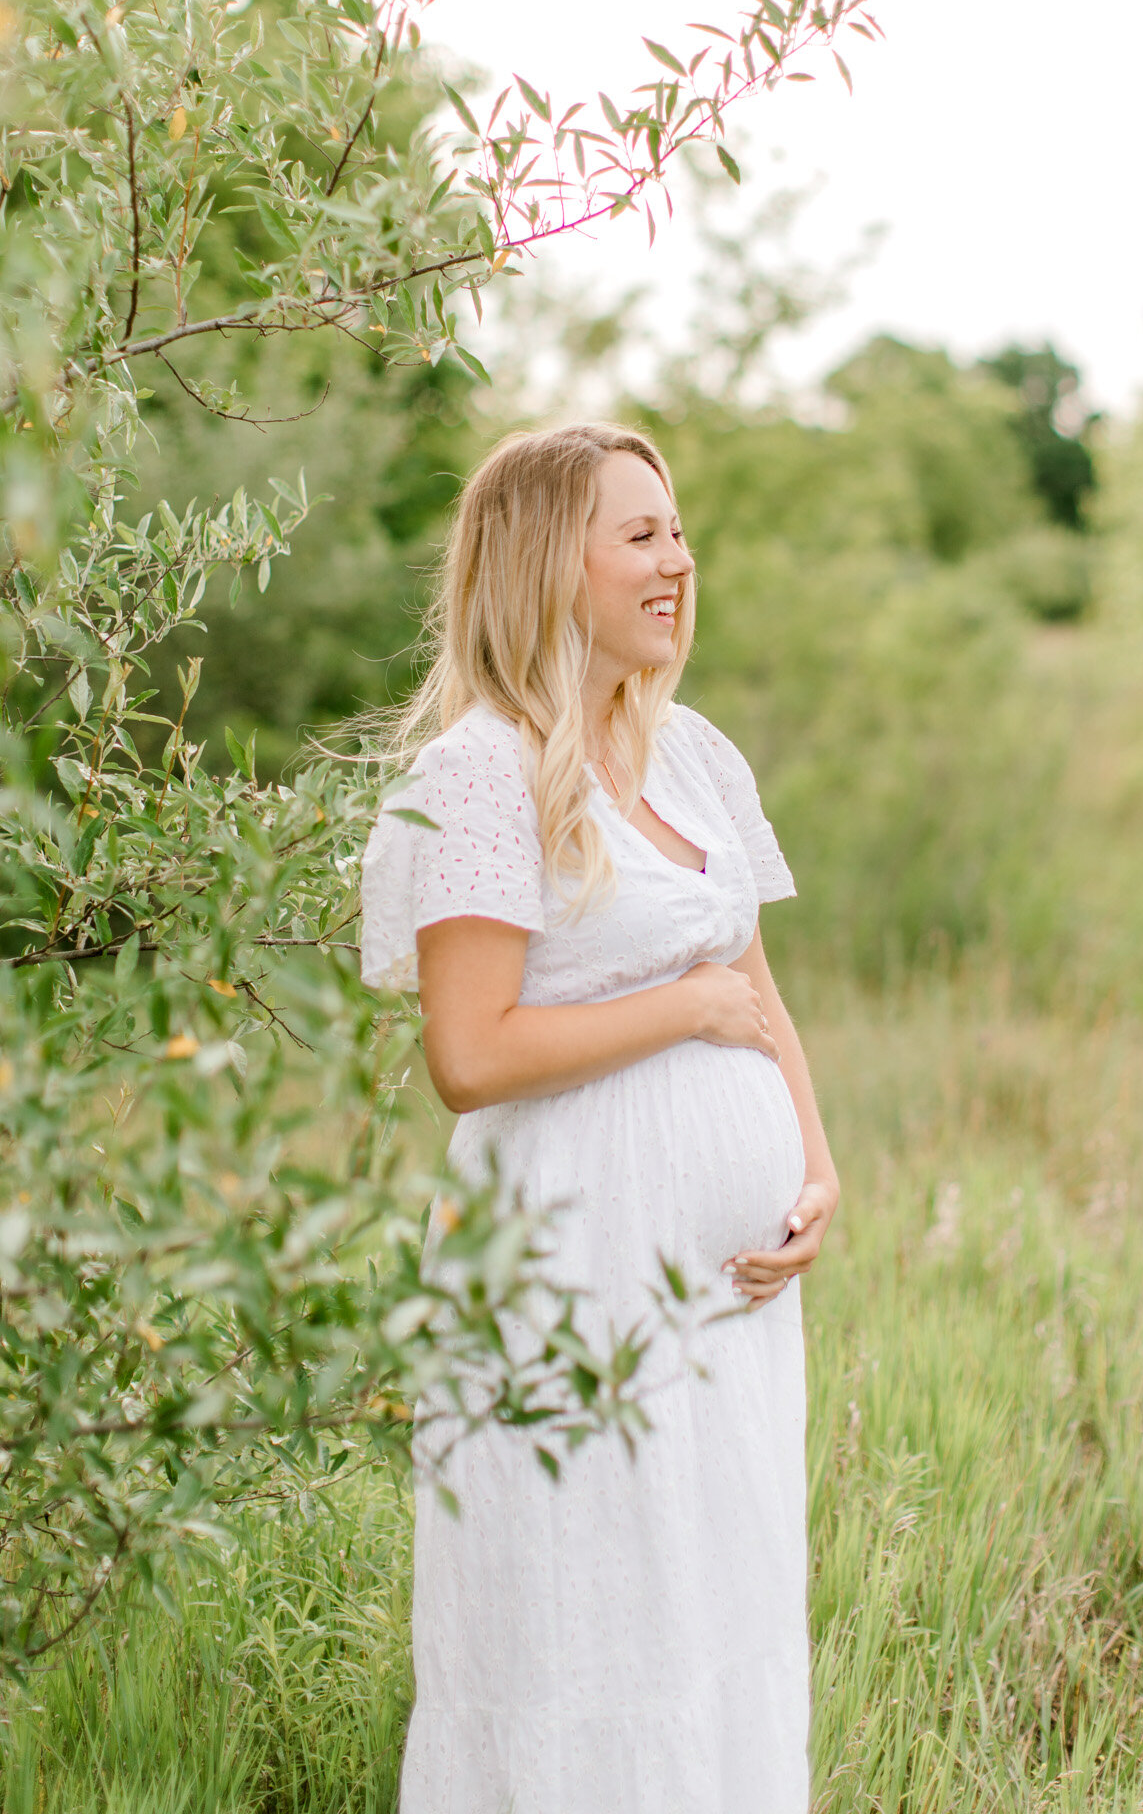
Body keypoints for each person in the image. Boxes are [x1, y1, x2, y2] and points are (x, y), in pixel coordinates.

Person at [360, 422, 839, 1813]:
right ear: (544, 565)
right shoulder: (475, 775)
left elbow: (750, 978)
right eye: (640, 535)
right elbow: (469, 1051)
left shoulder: (692, 754)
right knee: (586, 1606)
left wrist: (813, 1165)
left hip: (723, 1290)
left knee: (718, 1596)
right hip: (567, 1267)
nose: (677, 561)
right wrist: (675, 1016)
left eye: (677, 531)